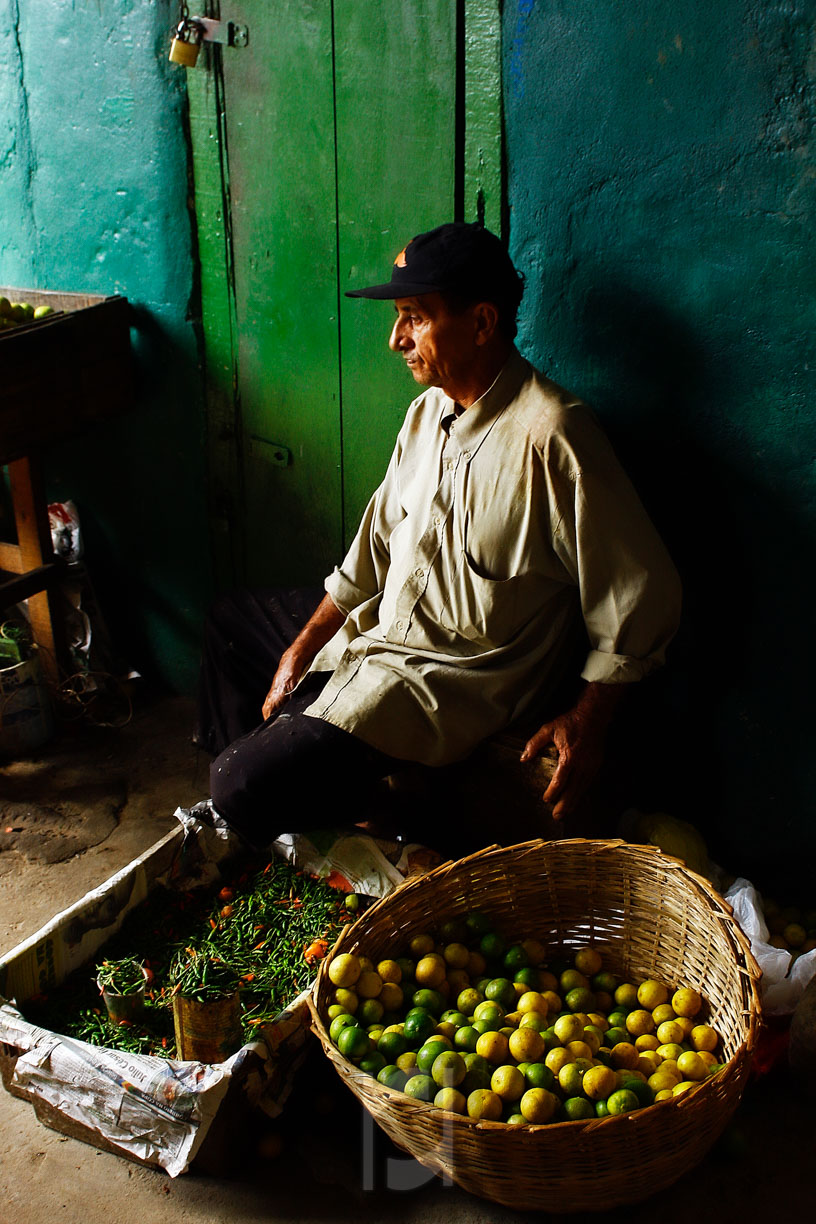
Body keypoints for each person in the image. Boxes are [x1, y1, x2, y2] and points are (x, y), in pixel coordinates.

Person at [203, 222, 681, 849]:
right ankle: (270, 828)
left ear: (482, 323)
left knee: (237, 782)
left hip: (438, 687)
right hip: (378, 635)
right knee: (228, 623)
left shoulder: (553, 438)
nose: (396, 338)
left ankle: (380, 821)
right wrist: (305, 644)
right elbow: (371, 550)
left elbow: (640, 594)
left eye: (414, 317)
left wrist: (588, 718)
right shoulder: (427, 414)